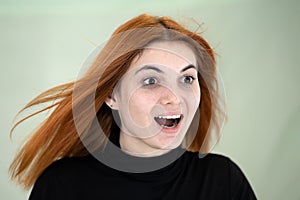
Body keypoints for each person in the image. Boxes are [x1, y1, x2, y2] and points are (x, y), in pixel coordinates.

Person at [10, 14, 257, 199]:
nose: (174, 98)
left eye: (187, 79)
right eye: (151, 81)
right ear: (111, 96)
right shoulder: (62, 185)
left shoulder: (223, 181)